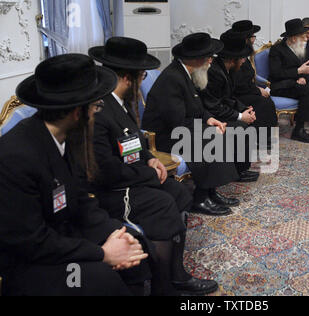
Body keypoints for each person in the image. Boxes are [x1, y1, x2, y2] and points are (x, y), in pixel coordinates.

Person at [0, 54, 150, 296]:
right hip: (30, 263)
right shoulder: (15, 157)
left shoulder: (68, 138)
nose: (96, 114)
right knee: (100, 278)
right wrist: (103, 254)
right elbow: (31, 242)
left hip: (64, 237)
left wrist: (113, 233)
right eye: (95, 106)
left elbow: (81, 199)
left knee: (134, 244)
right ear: (78, 112)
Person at [88, 37, 218, 296]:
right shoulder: (100, 110)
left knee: (180, 193)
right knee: (163, 204)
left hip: (134, 173)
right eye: (142, 75)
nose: (143, 80)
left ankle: (177, 274)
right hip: (114, 189)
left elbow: (135, 138)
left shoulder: (120, 101)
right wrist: (147, 172)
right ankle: (164, 286)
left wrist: (149, 157)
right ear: (128, 77)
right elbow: (106, 171)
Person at [141, 33, 240, 217]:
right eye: (208, 57)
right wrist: (207, 128)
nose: (211, 60)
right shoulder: (173, 78)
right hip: (165, 137)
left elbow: (196, 107)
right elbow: (176, 121)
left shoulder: (187, 73)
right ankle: (200, 198)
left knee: (216, 132)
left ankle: (211, 192)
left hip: (179, 129)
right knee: (209, 138)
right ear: (196, 59)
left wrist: (210, 119)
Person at [200, 30, 260, 183]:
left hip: (216, 111)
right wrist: (240, 116)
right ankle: (238, 171)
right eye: (242, 58)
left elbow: (229, 97)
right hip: (208, 116)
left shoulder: (226, 69)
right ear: (234, 60)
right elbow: (214, 106)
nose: (244, 61)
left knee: (246, 124)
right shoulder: (215, 73)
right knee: (242, 128)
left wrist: (244, 109)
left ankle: (241, 169)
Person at [269, 18, 309, 143]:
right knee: (308, 90)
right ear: (293, 38)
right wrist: (298, 73)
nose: (305, 39)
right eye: (302, 36)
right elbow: (276, 73)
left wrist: (303, 77)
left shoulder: (299, 48)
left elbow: (305, 69)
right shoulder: (277, 50)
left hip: (298, 83)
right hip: (282, 86)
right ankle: (298, 130)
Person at [229, 20, 278, 149]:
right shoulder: (235, 55)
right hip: (237, 93)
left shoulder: (244, 53)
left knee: (266, 101)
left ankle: (265, 137)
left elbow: (249, 77)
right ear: (246, 38)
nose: (254, 39)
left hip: (247, 89)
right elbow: (239, 82)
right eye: (253, 37)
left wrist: (257, 88)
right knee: (262, 102)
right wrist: (257, 90)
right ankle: (259, 138)